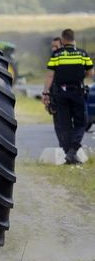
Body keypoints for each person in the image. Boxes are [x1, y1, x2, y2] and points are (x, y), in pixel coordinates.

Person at [43, 28, 93, 164]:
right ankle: (72, 151)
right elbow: (90, 72)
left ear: (63, 40)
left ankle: (69, 154)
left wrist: (45, 92)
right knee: (81, 123)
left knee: (64, 124)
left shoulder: (57, 55)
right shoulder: (82, 54)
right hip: (77, 92)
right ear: (73, 38)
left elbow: (50, 75)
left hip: (61, 94)